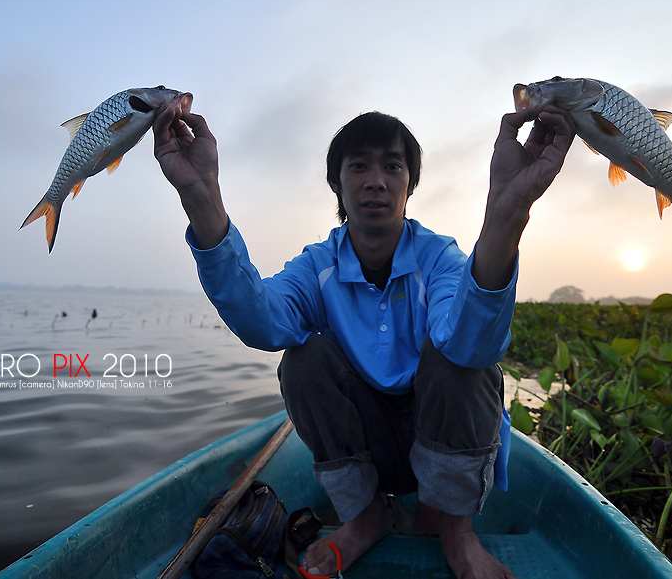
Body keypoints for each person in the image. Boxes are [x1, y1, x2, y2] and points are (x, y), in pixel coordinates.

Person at [153, 98, 575, 579]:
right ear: (337, 182)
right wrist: (201, 193)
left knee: (456, 357)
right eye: (359, 166)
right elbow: (263, 323)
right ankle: (365, 513)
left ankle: (456, 528)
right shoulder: (317, 265)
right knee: (303, 358)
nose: (376, 179)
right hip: (369, 450)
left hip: (443, 442)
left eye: (393, 166)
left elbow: (473, 346)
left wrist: (508, 209)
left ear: (409, 184)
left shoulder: (439, 258)